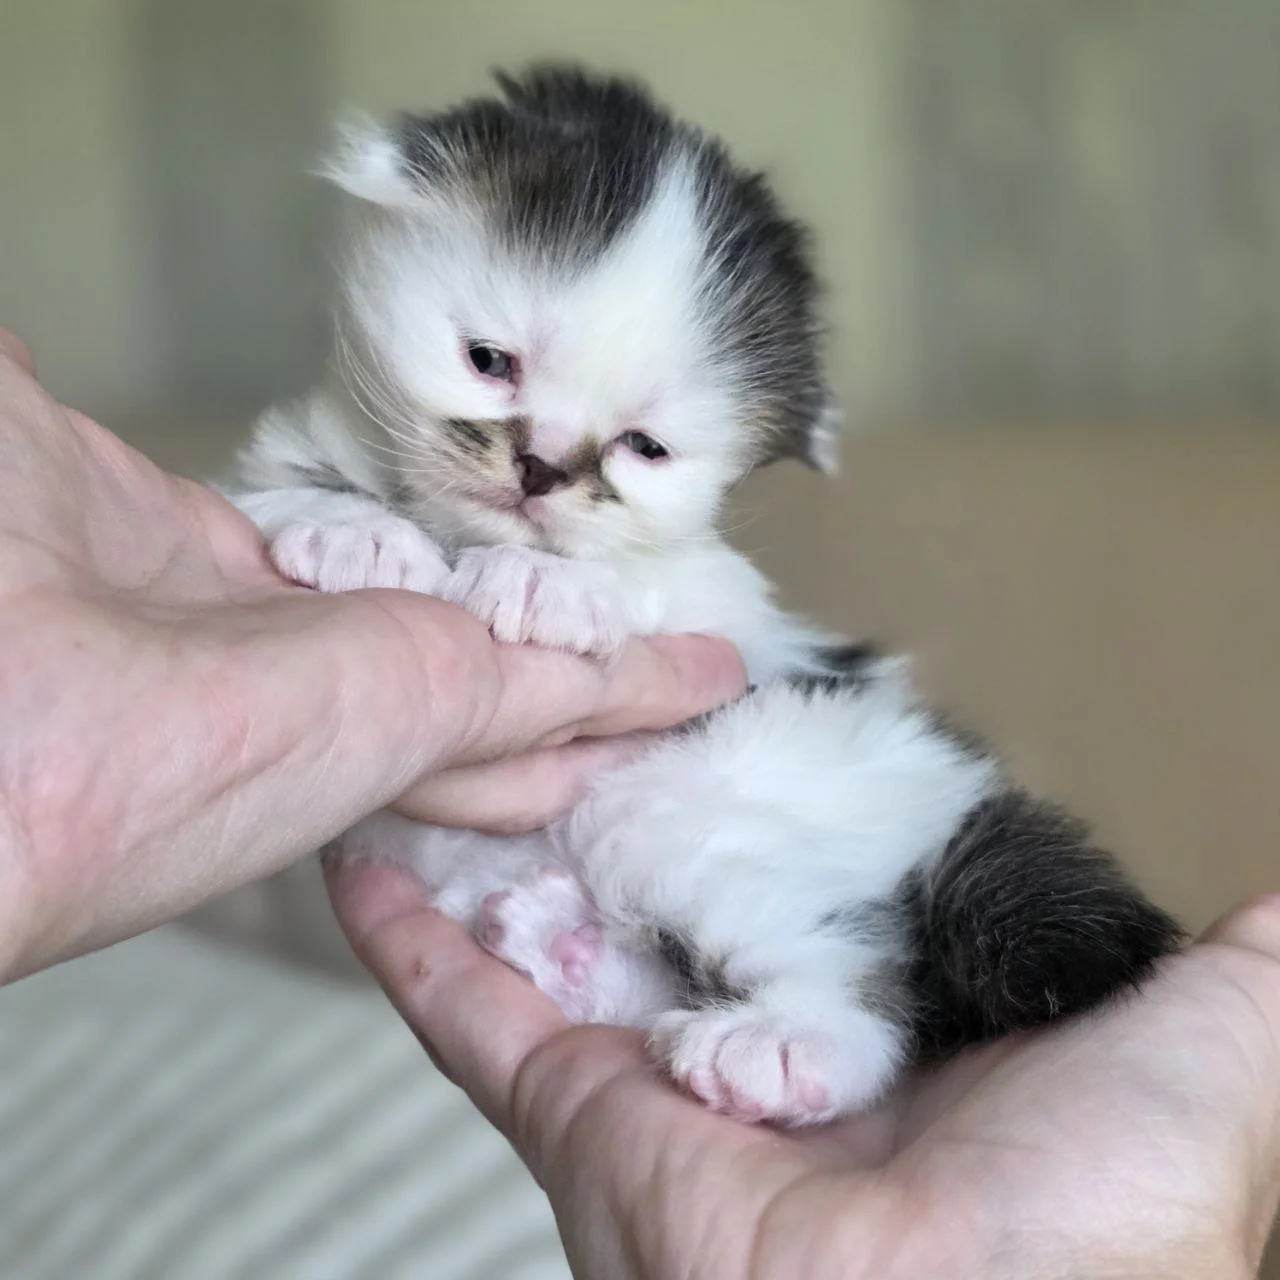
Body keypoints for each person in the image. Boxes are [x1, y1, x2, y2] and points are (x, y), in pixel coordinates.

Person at [1, 327, 1276, 1278]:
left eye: (643, 441)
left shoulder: (676, 612)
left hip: (765, 866)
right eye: (494, 360)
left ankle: (836, 1002)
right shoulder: (329, 456)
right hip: (622, 901)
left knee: (660, 836)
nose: (538, 461)